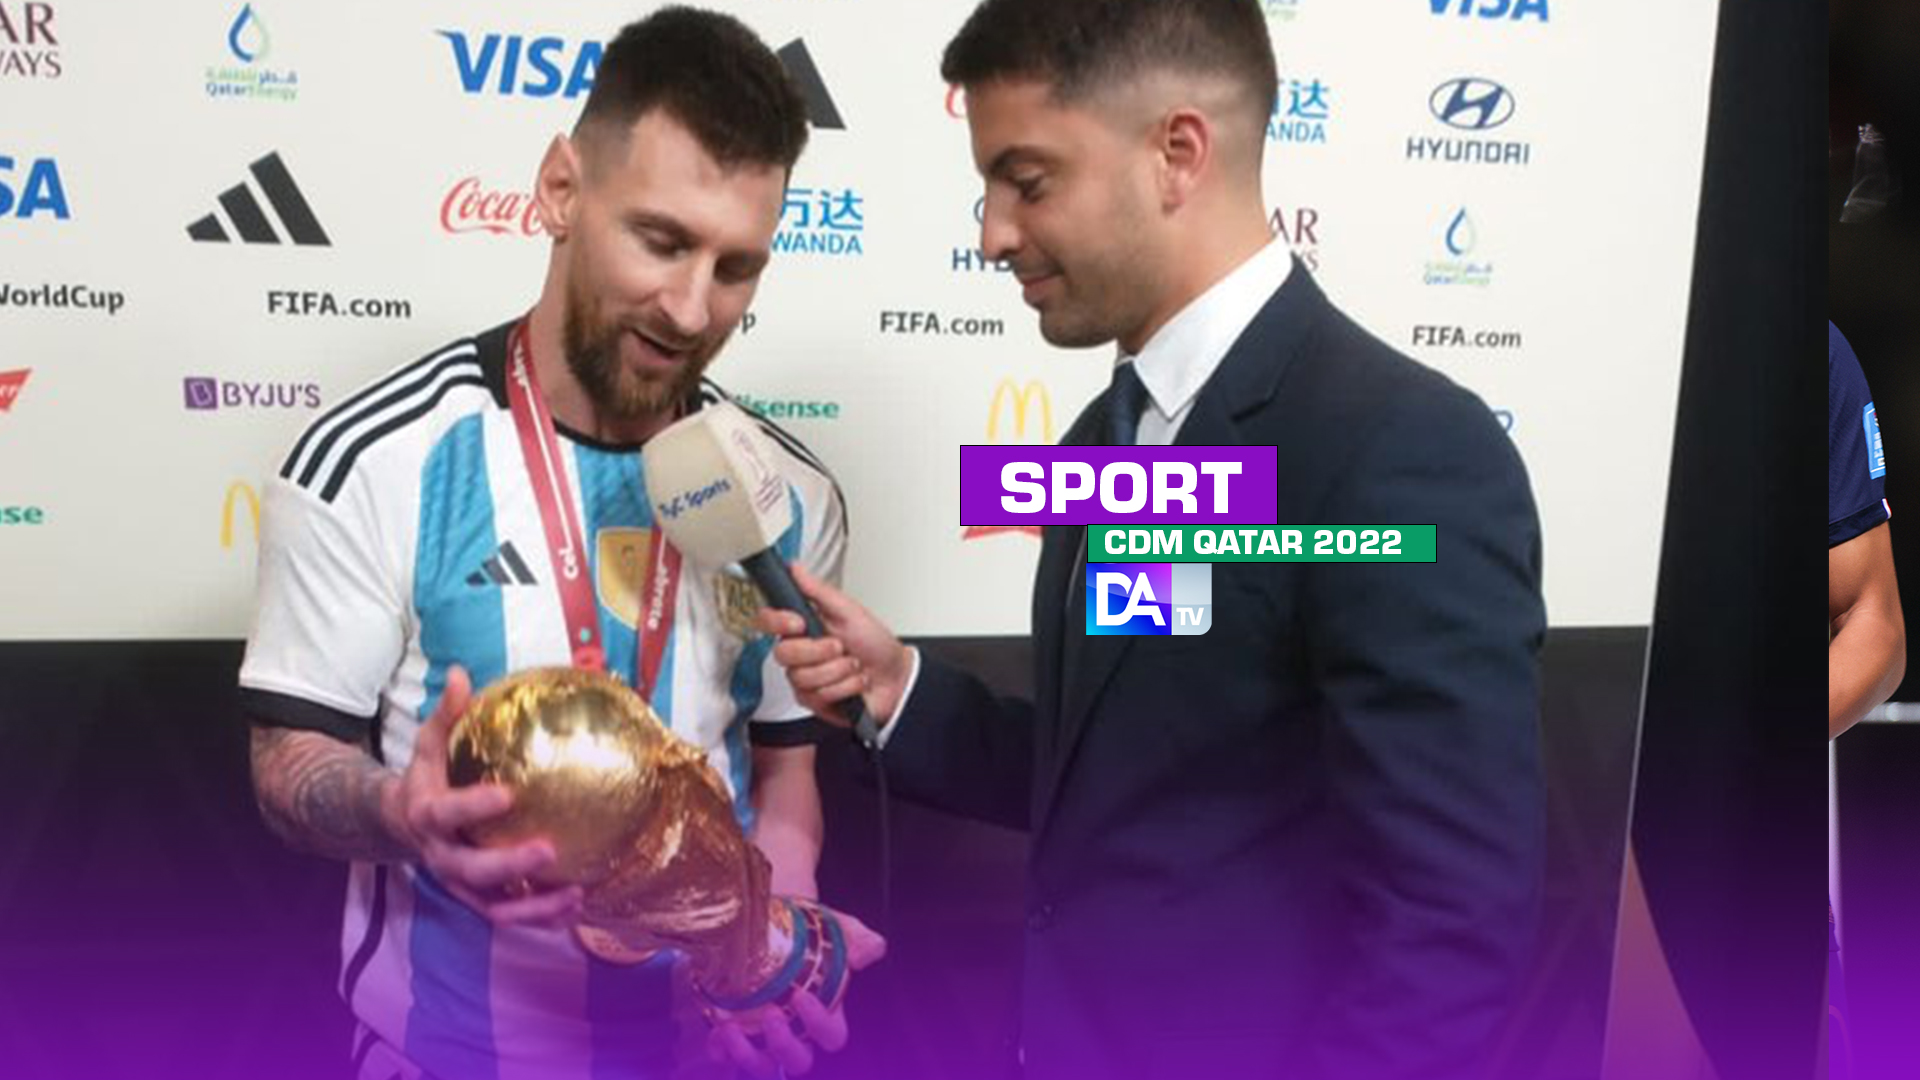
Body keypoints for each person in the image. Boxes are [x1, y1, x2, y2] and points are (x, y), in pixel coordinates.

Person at [759, 1, 1545, 1077]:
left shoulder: (1397, 450)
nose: (992, 235)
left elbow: (1448, 930)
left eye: (1029, 182)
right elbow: (1133, 762)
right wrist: (899, 690)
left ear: (1177, 154)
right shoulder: (1107, 436)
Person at [239, 9, 879, 1079]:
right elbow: (288, 765)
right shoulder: (378, 460)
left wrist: (764, 948)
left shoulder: (790, 493)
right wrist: (402, 813)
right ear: (560, 190)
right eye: (662, 241)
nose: (691, 308)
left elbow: (785, 774)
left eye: (736, 267)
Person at [1827, 320, 1905, 1079]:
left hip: (1732, 848)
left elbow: (1873, 623)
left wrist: (1742, 741)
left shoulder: (1799, 348)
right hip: (1470, 812)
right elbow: (1424, 540)